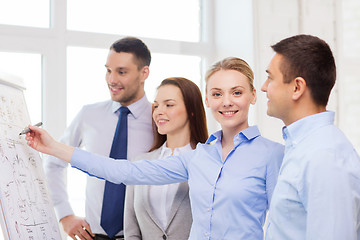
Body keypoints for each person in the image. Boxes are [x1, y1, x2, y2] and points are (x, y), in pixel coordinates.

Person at [26, 57, 284, 239]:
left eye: (236, 92)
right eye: (217, 94)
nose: (226, 102)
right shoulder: (199, 157)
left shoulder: (272, 154)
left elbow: (284, 225)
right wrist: (54, 147)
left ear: (252, 95)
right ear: (207, 100)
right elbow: (123, 172)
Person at [44, 37, 154, 240]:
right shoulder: (89, 114)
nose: (112, 80)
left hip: (143, 235)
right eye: (108, 70)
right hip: (93, 235)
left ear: (144, 73)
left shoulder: (159, 120)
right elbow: (53, 162)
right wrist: (65, 214)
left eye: (121, 72)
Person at [261, 34, 360, 239]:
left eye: (270, 78)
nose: (263, 87)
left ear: (297, 87)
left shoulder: (325, 157)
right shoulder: (304, 146)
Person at [124, 77, 208, 239]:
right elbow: (131, 229)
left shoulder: (209, 161)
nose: (158, 111)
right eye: (156, 105)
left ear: (192, 110)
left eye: (169, 105)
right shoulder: (140, 163)